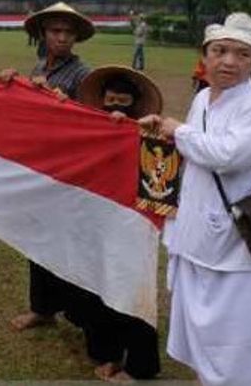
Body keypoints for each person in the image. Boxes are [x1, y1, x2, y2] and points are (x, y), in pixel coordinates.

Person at [139, 12, 251, 385]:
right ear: (204, 56)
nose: (229, 61)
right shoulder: (205, 97)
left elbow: (226, 155)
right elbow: (193, 150)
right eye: (220, 51)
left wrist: (180, 131)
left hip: (237, 238)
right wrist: (162, 129)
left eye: (241, 54)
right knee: (203, 331)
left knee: (238, 338)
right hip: (196, 230)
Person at [2, 2, 95, 332]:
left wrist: (65, 104)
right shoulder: (40, 67)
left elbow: (92, 124)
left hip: (67, 171)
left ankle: (79, 314)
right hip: (40, 165)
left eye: (69, 33)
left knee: (66, 242)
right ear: (43, 33)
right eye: (56, 31)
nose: (63, 38)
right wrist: (14, 85)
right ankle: (42, 308)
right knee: (38, 238)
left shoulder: (84, 75)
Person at [70, 65, 165, 382]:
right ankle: (105, 352)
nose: (115, 106)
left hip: (132, 222)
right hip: (94, 217)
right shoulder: (87, 128)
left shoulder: (152, 135)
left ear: (136, 104)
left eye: (123, 101)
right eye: (110, 99)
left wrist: (134, 130)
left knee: (132, 287)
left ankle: (139, 364)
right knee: (95, 284)